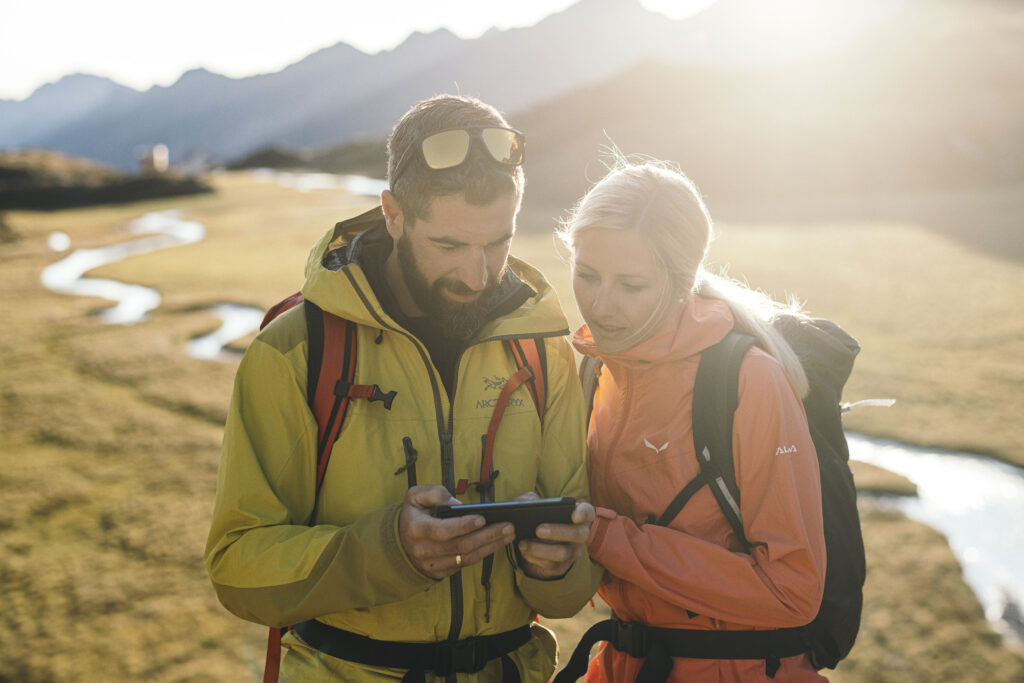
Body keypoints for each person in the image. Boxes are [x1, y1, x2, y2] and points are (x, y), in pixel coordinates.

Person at [205, 94, 601, 682]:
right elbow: (237, 568)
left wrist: (555, 568)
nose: (479, 274)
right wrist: (385, 552)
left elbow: (574, 590)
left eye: (499, 242)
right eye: (448, 246)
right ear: (393, 214)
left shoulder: (545, 350)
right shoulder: (295, 351)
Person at [558, 159, 828, 681]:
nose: (600, 304)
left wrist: (605, 538)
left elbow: (793, 590)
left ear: (683, 281)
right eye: (587, 275)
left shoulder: (749, 382)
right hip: (624, 665)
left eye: (631, 285)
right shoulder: (596, 367)